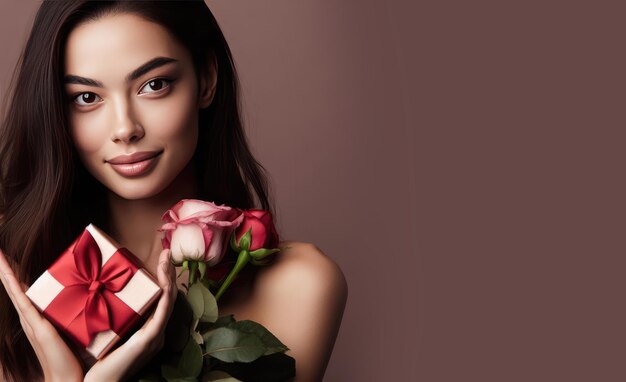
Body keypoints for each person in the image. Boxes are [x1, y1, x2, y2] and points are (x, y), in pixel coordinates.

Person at [0, 1, 348, 381]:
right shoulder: (13, 271)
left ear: (207, 79)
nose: (125, 128)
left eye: (154, 85)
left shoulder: (298, 286)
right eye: (87, 98)